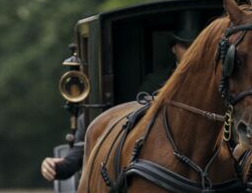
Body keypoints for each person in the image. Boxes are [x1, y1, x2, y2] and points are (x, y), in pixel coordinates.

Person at [40, 29, 194, 182]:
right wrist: (57, 166)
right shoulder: (154, 81)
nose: (191, 50)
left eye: (195, 45)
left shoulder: (215, 85)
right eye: (185, 45)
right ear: (173, 48)